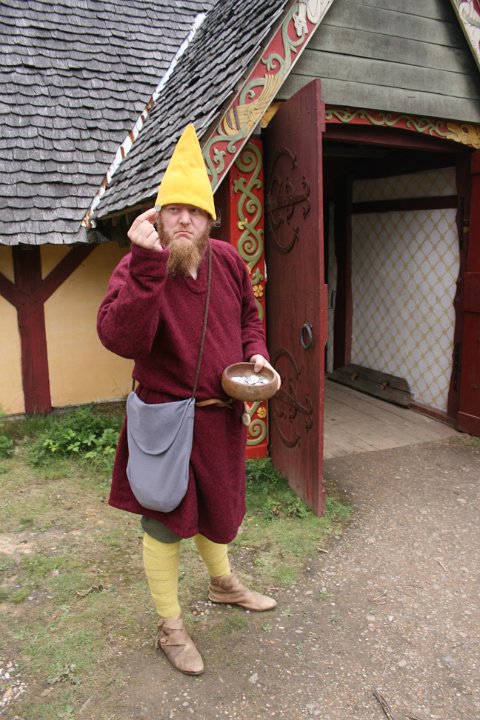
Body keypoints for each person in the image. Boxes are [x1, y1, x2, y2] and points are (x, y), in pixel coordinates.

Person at [97, 124, 280, 676]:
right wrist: (146, 266)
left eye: (194, 211)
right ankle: (170, 626)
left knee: (215, 509)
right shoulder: (138, 264)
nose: (183, 220)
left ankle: (223, 584)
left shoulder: (228, 261)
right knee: (164, 518)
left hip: (220, 418)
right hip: (163, 420)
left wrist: (257, 353)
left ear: (209, 220)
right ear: (157, 216)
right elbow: (120, 338)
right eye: (173, 209)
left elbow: (248, 319)